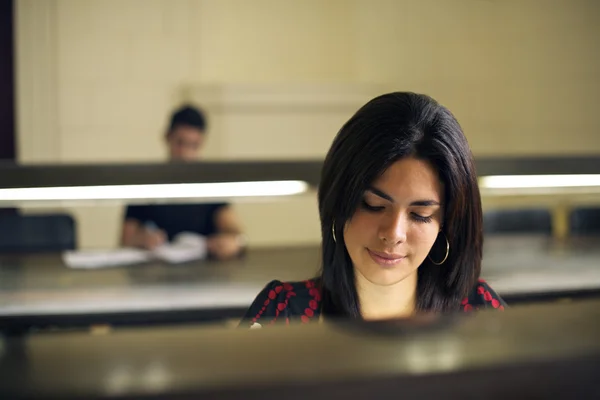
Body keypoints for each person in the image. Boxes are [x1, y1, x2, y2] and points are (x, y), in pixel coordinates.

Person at [241, 92, 506, 327]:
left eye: (420, 215)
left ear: (446, 222)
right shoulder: (285, 314)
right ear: (339, 202)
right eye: (374, 206)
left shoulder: (480, 313)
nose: (393, 234)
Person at [121, 105, 245, 260]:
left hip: (205, 277)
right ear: (167, 137)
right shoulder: (145, 183)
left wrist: (232, 241)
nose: (185, 153)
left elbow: (233, 229)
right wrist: (141, 239)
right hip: (155, 275)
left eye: (193, 145)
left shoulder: (209, 185)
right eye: (180, 143)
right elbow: (126, 238)